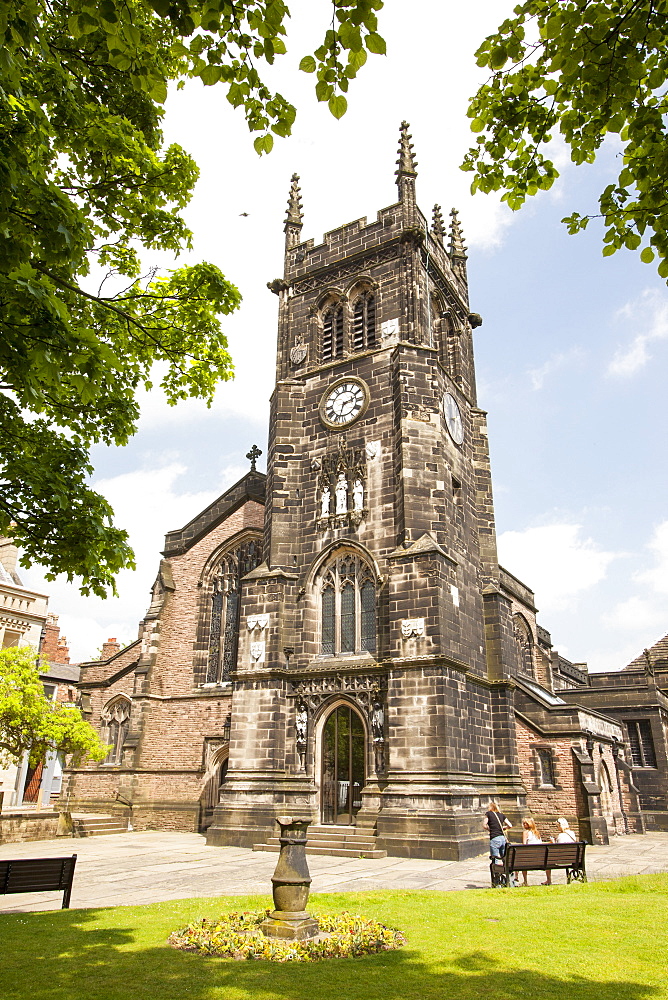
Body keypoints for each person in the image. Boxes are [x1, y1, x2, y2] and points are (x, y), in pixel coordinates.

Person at [484, 801, 512, 868]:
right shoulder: (501, 815)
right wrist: (503, 828)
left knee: (495, 858)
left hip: (495, 838)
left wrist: (489, 829)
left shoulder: (488, 814)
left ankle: (496, 874)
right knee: (504, 857)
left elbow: (484, 825)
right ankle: (508, 872)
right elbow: (510, 825)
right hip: (502, 838)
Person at [520, 817, 545, 885]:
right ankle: (549, 879)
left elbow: (524, 845)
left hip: (529, 858)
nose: (524, 824)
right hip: (540, 858)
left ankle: (525, 881)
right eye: (523, 823)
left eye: (526, 823)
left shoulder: (525, 833)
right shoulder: (537, 833)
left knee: (520, 860)